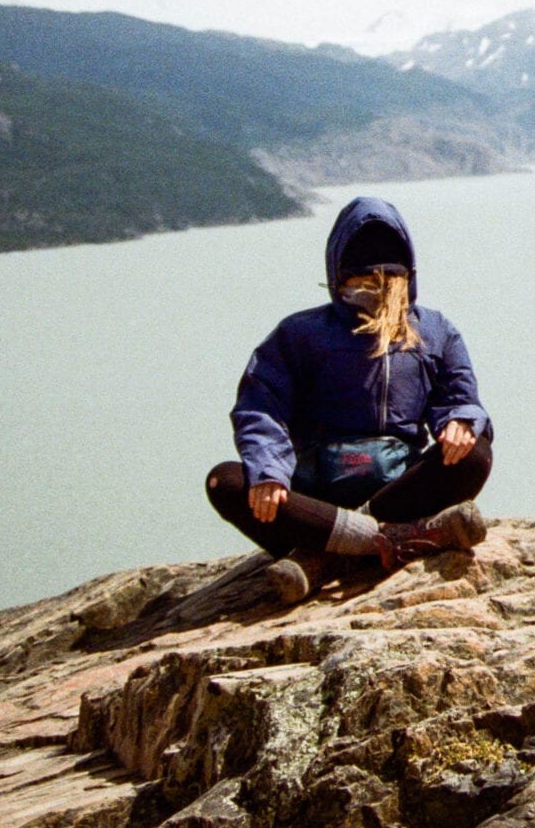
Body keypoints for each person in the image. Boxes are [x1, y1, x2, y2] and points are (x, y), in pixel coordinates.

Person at [205, 195, 493, 603]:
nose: (372, 292)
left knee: (476, 454)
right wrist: (268, 471)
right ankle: (396, 540)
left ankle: (327, 556)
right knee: (227, 481)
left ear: (406, 276)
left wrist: (460, 423)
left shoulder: (435, 329)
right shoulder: (299, 334)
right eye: (358, 282)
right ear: (336, 275)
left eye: (385, 281)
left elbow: (460, 398)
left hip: (397, 490)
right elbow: (259, 405)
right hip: (316, 494)